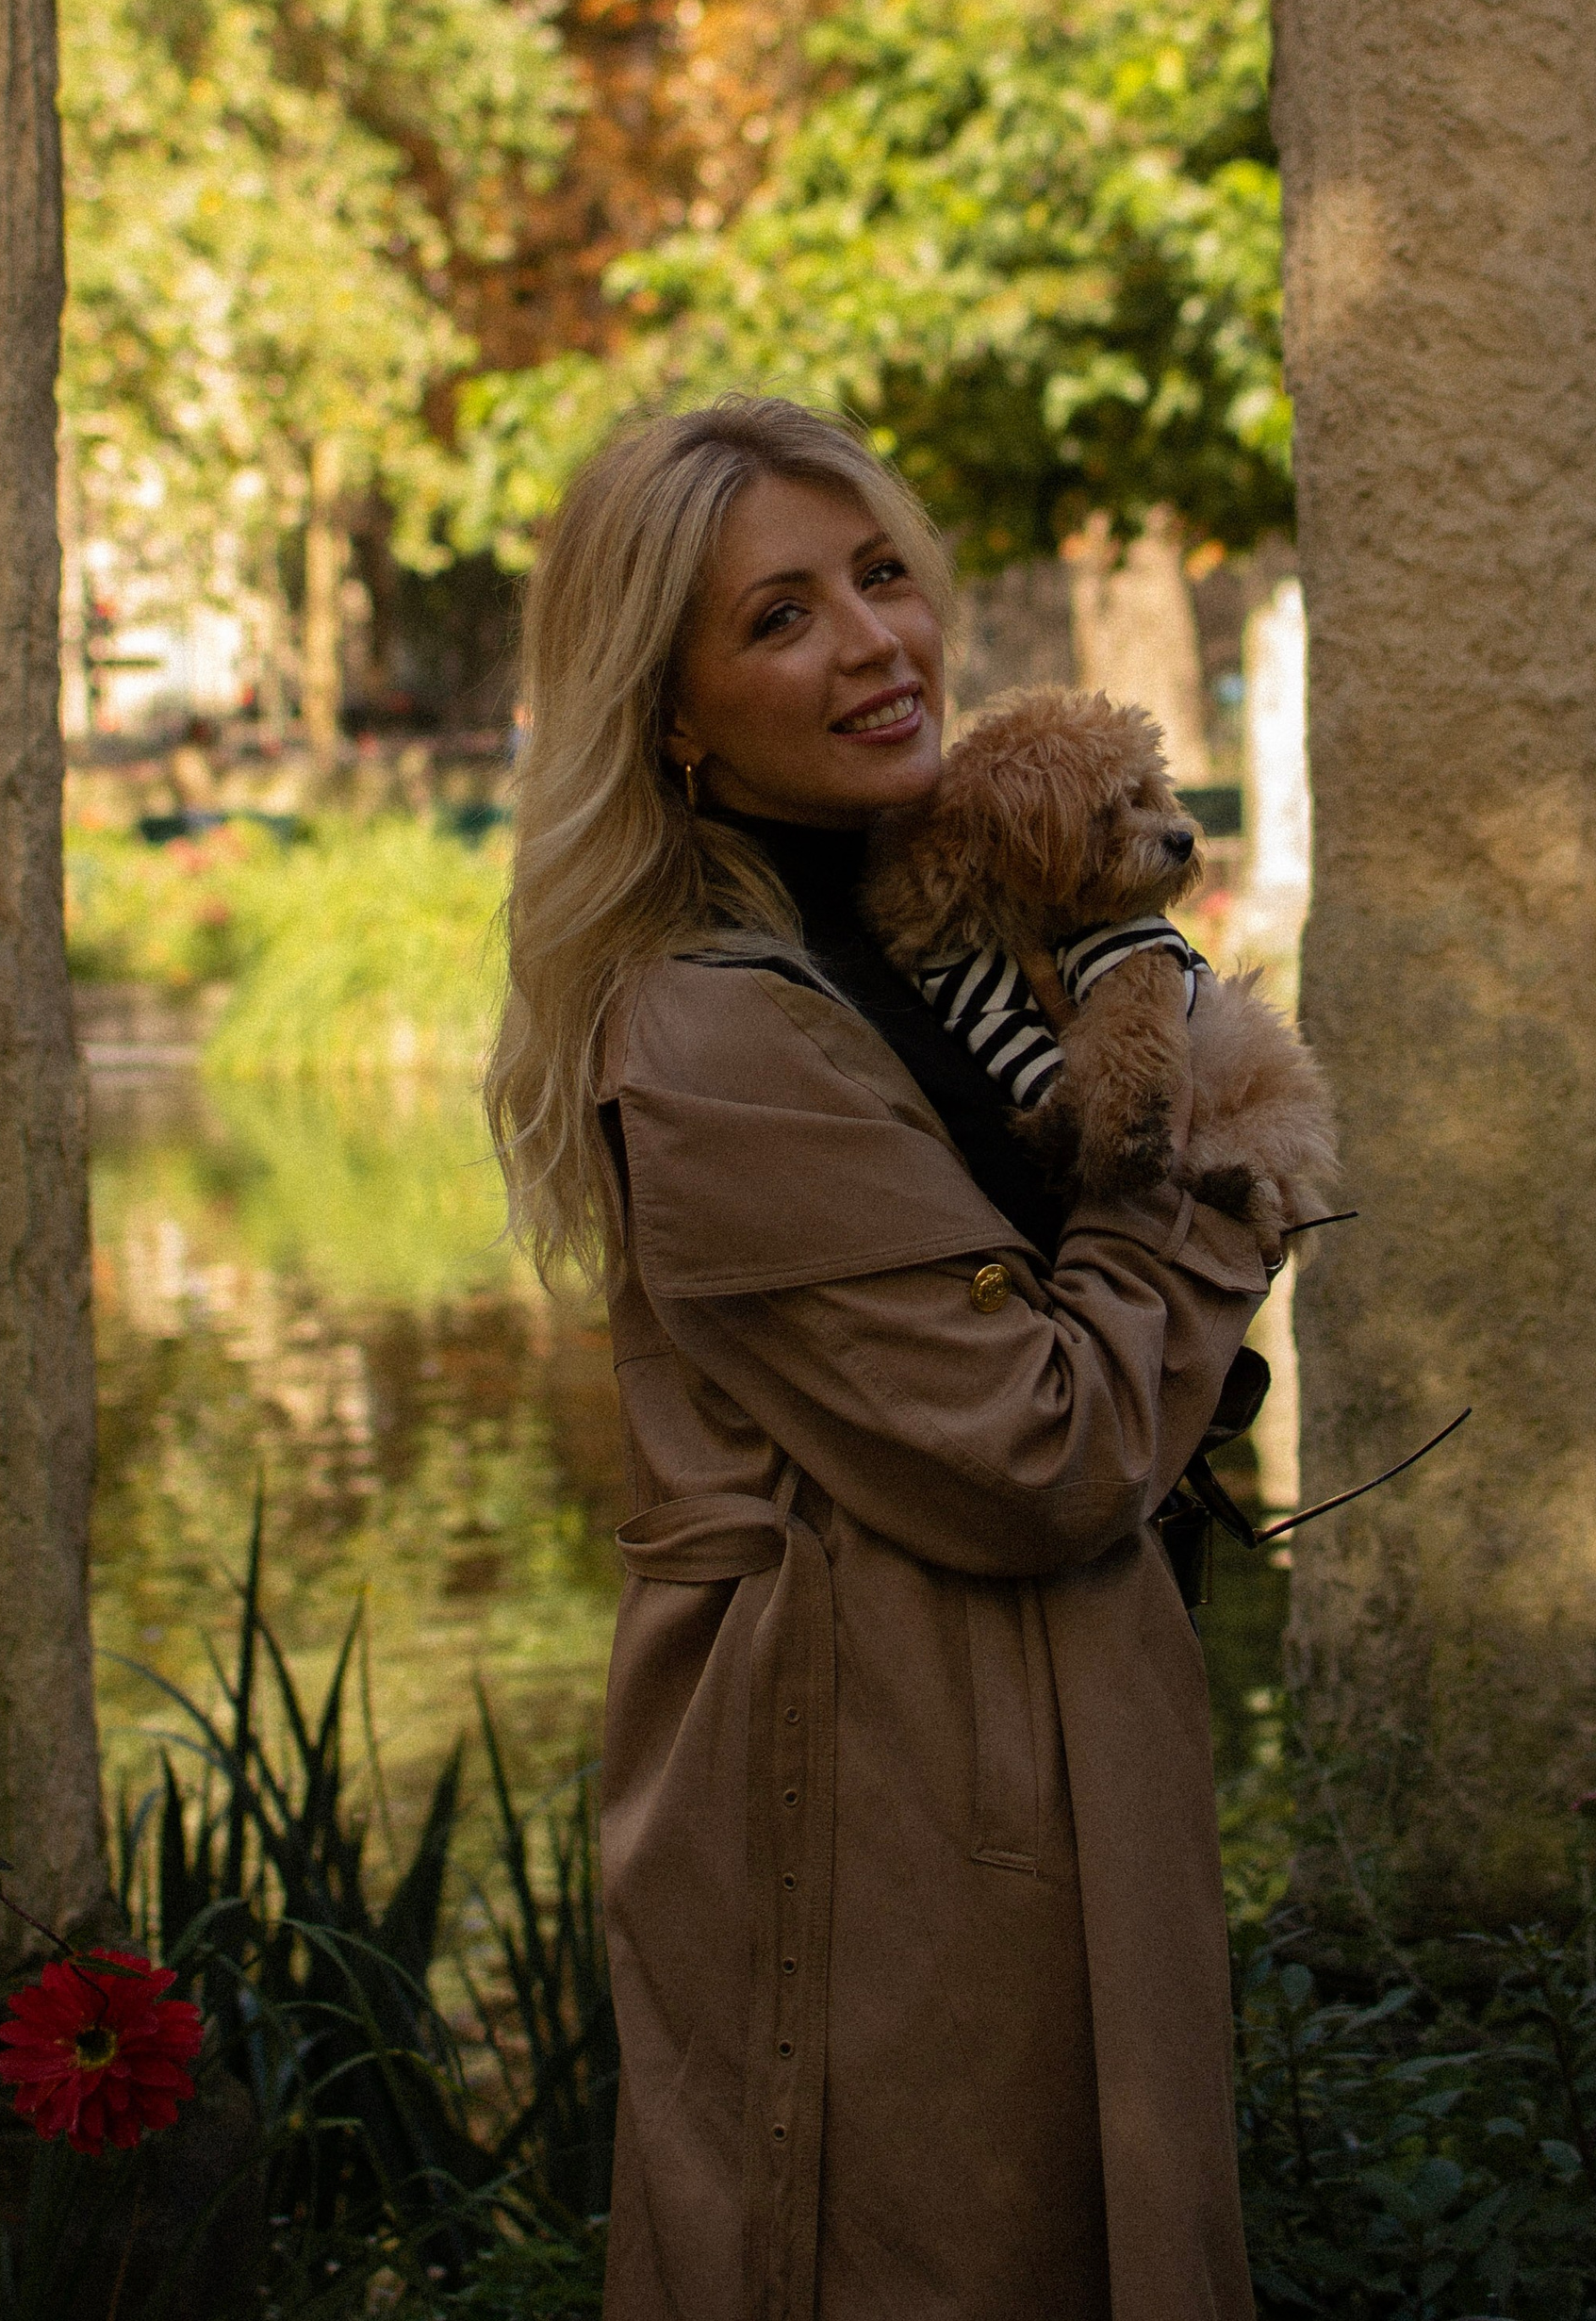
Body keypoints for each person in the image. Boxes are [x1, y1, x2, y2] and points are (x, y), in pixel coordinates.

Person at [485, 397, 1273, 2321]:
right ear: (666, 711)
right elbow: (1046, 1450)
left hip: (1015, 1750)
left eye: (880, 575)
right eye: (776, 618)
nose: (872, 642)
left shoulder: (924, 941)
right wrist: (1225, 1132)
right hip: (875, 1811)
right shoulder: (714, 1030)